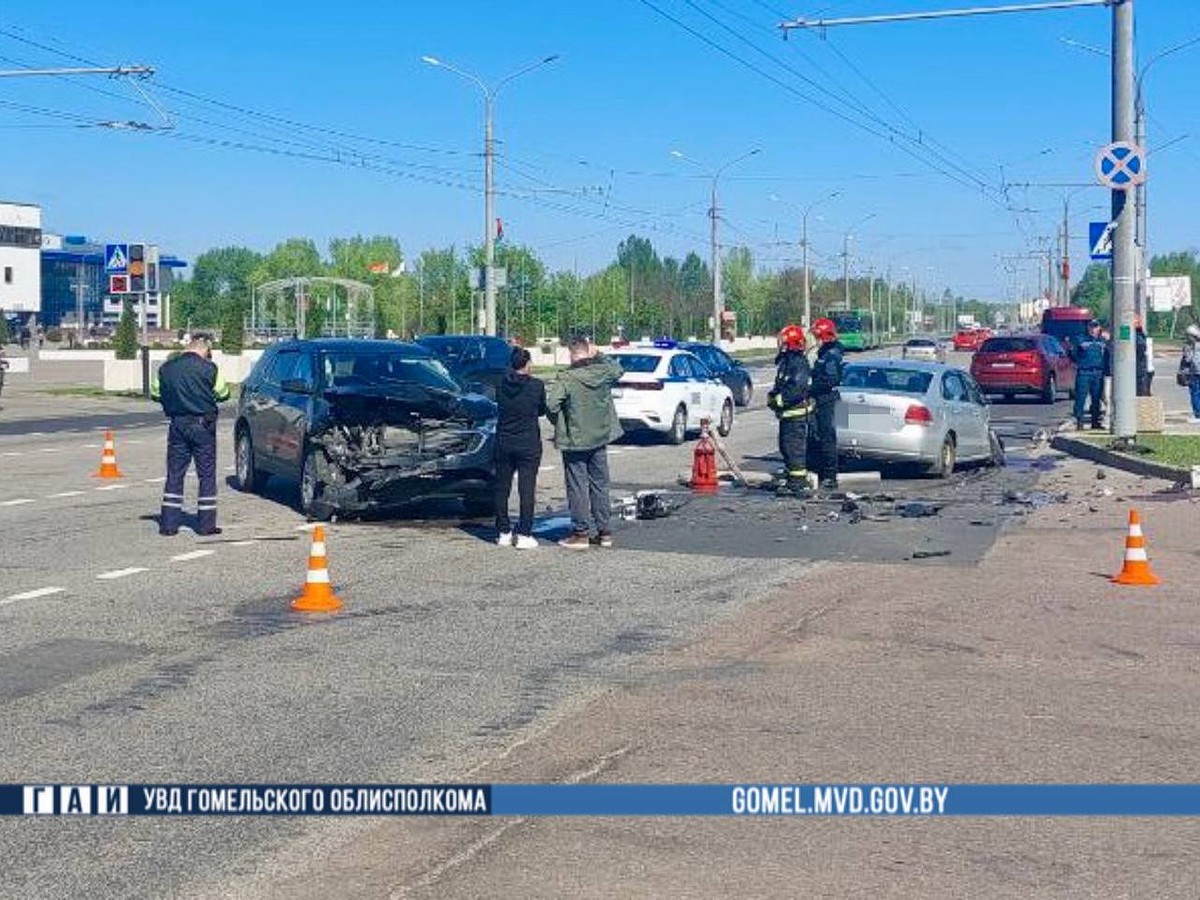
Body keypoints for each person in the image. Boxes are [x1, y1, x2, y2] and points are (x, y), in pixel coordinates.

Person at [545, 333, 624, 550]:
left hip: (575, 439)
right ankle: (604, 531)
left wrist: (561, 421)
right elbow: (618, 370)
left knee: (577, 486)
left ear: (571, 354)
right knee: (600, 485)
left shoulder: (567, 378)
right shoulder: (603, 371)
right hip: (600, 436)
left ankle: (580, 533)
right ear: (588, 350)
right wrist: (599, 353)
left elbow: (551, 405)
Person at [150, 335, 231, 536]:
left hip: (177, 424)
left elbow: (155, 393)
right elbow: (223, 393)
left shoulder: (165, 368)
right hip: (203, 426)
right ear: (205, 351)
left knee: (175, 474)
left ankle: (168, 525)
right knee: (206, 475)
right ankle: (206, 525)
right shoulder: (209, 368)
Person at [494, 346, 548, 549]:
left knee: (501, 488)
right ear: (528, 364)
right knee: (527, 488)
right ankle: (524, 532)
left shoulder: (500, 384)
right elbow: (542, 409)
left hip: (504, 440)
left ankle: (503, 531)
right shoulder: (536, 385)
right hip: (528, 442)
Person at [768, 324, 814, 497]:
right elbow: (781, 384)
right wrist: (772, 397)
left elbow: (796, 389)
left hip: (796, 415)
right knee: (785, 447)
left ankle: (798, 483)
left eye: (783, 341)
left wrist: (779, 401)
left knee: (794, 449)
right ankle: (791, 477)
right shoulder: (786, 362)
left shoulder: (798, 363)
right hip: (787, 415)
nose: (780, 344)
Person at [807, 318, 845, 493]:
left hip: (827, 400)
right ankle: (819, 471)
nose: (815, 340)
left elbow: (831, 379)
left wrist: (811, 389)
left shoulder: (831, 355)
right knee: (816, 436)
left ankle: (830, 476)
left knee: (827, 438)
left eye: (817, 336)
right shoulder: (824, 353)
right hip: (821, 399)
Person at [1069, 319, 1108, 430]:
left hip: (1098, 373)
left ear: (1099, 328)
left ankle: (1095, 422)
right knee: (1080, 397)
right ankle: (1079, 422)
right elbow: (1073, 354)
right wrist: (1081, 363)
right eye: (1091, 327)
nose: (1093, 329)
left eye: (1095, 327)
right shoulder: (1080, 340)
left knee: (1096, 399)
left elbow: (1107, 356)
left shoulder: (1102, 341)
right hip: (1084, 373)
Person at [1180, 324, 1200, 423]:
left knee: (1195, 393)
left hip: (1195, 372)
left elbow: (1189, 359)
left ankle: (1198, 414)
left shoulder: (1191, 346)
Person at [1135, 316, 1151, 397]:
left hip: (1140, 366)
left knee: (1140, 389)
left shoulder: (1140, 336)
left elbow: (1142, 349)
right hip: (1138, 366)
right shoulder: (1138, 336)